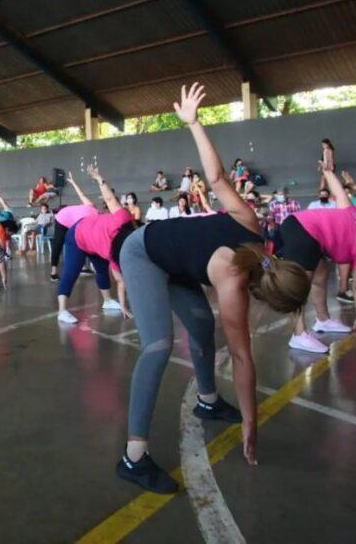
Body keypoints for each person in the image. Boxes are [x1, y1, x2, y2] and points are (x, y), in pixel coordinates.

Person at [115, 83, 310, 493]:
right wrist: (252, 425)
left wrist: (195, 123)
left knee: (201, 325)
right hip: (143, 252)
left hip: (180, 263)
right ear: (268, 297)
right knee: (157, 344)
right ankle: (133, 457)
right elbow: (241, 357)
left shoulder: (251, 223)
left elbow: (215, 176)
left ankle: (207, 400)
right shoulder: (234, 284)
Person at [277, 169, 356, 354]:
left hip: (299, 223)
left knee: (320, 274)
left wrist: (328, 172)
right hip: (305, 232)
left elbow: (340, 192)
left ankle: (323, 320)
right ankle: (298, 334)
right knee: (299, 285)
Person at [56, 165, 131, 325]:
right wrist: (99, 179)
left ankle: (107, 301)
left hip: (95, 241)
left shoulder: (114, 250)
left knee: (102, 269)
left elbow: (120, 281)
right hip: (78, 236)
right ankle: (62, 311)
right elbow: (110, 198)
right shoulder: (123, 219)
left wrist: (124, 306)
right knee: (72, 272)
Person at [49, 170, 99, 283]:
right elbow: (81, 194)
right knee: (58, 243)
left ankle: (82, 267)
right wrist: (73, 182)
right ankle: (53, 273)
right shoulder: (90, 209)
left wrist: (73, 182)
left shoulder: (93, 214)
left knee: (81, 242)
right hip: (62, 218)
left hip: (72, 220)